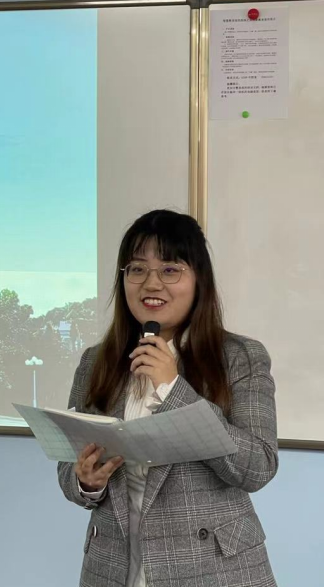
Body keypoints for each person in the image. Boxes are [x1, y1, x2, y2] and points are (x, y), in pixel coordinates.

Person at [58, 210, 277, 587]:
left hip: (213, 571)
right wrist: (86, 481)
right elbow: (68, 468)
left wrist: (173, 389)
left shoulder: (239, 357)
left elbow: (257, 467)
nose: (151, 283)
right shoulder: (96, 361)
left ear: (198, 279)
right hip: (114, 569)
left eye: (170, 269)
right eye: (137, 269)